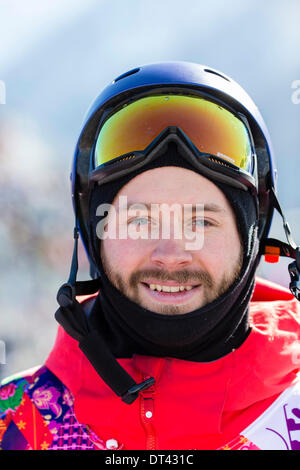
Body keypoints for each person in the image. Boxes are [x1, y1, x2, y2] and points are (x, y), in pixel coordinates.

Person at [1, 61, 300, 452]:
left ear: (253, 236)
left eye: (201, 222)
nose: (171, 255)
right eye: (139, 221)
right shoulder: (15, 427)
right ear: (95, 235)